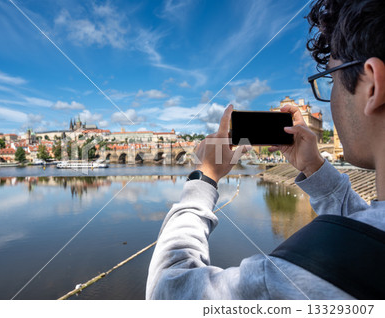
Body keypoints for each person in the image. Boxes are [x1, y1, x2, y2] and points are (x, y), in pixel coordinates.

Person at [146, 0, 385, 299]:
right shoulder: (363, 245)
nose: (331, 99)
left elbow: (168, 292)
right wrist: (315, 169)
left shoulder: (300, 277)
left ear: (373, 85)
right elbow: (363, 229)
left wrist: (205, 177)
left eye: (330, 80)